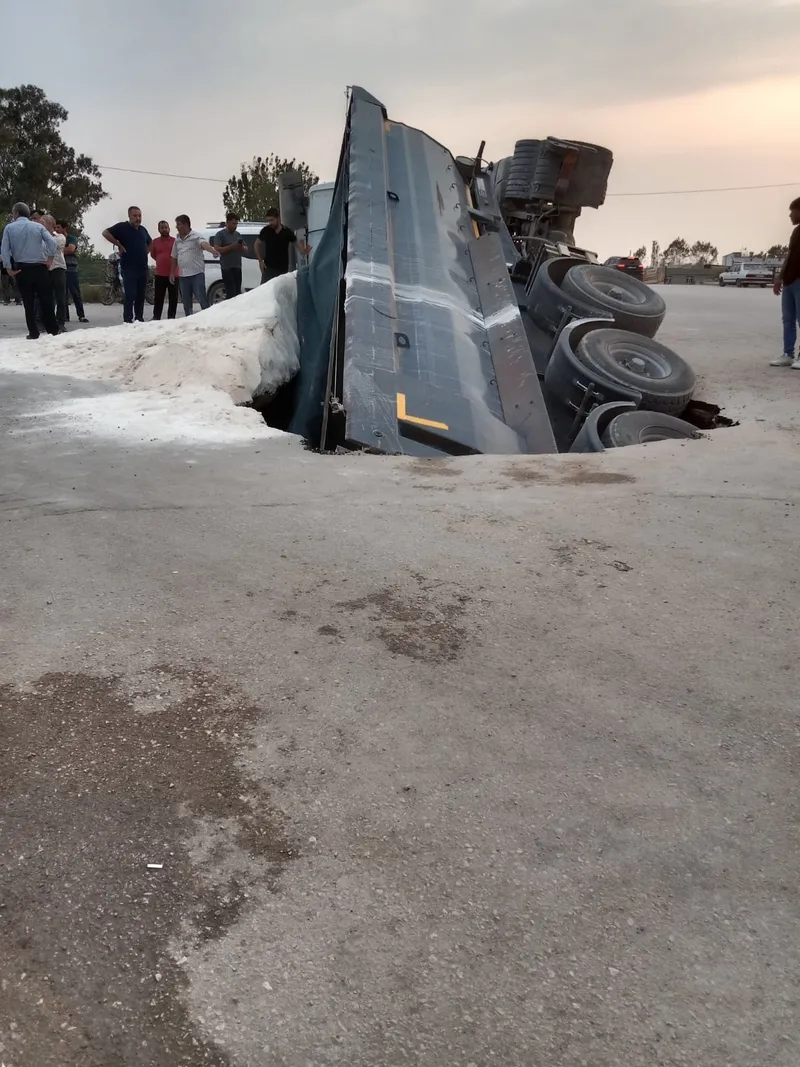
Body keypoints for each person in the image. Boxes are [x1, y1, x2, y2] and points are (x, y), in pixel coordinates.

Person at [0, 202, 60, 339]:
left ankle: (33, 332)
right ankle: (53, 330)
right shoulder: (38, 226)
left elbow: (5, 250)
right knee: (46, 300)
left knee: (28, 301)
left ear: (16, 213)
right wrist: (49, 259)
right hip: (40, 267)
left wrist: (8, 268)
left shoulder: (9, 228)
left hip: (22, 269)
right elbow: (53, 243)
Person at [102, 206, 152, 323]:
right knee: (130, 294)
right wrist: (118, 244)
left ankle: (139, 319)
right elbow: (105, 233)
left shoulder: (143, 230)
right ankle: (128, 320)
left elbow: (150, 242)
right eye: (135, 216)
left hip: (142, 267)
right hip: (129, 267)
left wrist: (146, 251)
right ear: (129, 216)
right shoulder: (122, 227)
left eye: (139, 216)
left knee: (140, 295)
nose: (138, 218)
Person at [770, 197, 800, 369]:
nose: (790, 215)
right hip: (789, 282)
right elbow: (789, 256)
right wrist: (779, 278)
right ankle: (788, 354)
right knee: (788, 320)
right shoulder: (796, 232)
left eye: (792, 211)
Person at [170, 214, 218, 316]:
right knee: (186, 302)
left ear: (186, 224)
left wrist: (212, 250)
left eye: (179, 224)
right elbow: (174, 256)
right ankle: (189, 320)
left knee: (201, 297)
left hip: (196, 274)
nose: (176, 227)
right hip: (183, 276)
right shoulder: (177, 240)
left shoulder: (196, 236)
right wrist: (172, 273)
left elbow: (204, 244)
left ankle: (208, 317)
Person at [254, 207, 311, 284]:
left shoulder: (287, 232)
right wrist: (260, 261)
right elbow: (256, 244)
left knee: (281, 292)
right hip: (268, 268)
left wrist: (304, 251)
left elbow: (298, 245)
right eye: (268, 220)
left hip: (282, 269)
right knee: (265, 291)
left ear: (278, 218)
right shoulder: (266, 230)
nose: (270, 223)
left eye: (272, 220)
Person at [58, 221, 89, 323]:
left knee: (75, 293)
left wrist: (58, 250)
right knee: (62, 294)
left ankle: (81, 315)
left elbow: (71, 249)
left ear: (64, 228)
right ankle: (65, 316)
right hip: (60, 268)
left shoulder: (71, 239)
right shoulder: (56, 239)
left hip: (71, 269)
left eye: (58, 227)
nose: (56, 230)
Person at [42, 215, 68, 331]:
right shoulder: (41, 237)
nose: (41, 225)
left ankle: (61, 322)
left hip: (58, 268)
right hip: (46, 269)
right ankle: (48, 321)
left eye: (44, 223)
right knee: (47, 297)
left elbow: (52, 245)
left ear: (51, 224)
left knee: (60, 297)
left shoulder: (60, 237)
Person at [150, 220, 179, 320]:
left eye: (166, 227)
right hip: (160, 274)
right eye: (162, 227)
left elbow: (178, 255)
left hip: (174, 274)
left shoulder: (175, 241)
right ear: (159, 229)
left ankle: (171, 318)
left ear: (169, 228)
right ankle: (156, 317)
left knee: (173, 298)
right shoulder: (155, 241)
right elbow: (153, 254)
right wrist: (161, 260)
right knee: (158, 298)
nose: (164, 229)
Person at [214, 212, 244, 298]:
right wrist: (232, 246)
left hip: (237, 266)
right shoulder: (220, 234)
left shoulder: (237, 234)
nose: (235, 226)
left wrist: (242, 247)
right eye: (233, 223)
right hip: (227, 267)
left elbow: (245, 248)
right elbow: (218, 249)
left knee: (238, 292)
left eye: (236, 224)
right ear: (227, 222)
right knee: (231, 292)